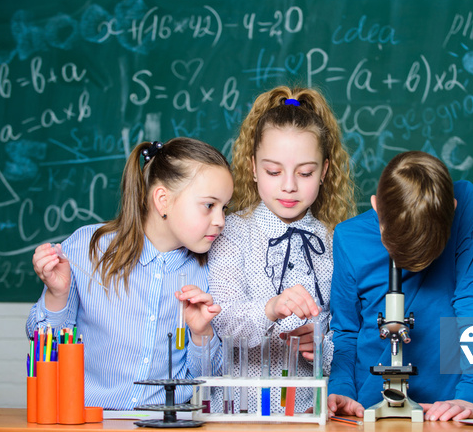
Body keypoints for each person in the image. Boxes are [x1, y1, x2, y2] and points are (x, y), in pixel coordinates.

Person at [26, 138, 233, 410]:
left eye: (224, 208)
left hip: (164, 426)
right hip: (87, 423)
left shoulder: (211, 269)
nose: (220, 220)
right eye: (209, 205)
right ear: (163, 200)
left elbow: (207, 378)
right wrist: (57, 295)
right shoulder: (89, 248)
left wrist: (201, 332)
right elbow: (44, 353)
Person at [207, 86, 355, 413]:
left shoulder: (336, 241)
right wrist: (271, 307)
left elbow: (348, 334)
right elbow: (224, 320)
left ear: (325, 171)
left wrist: (322, 350)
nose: (289, 185)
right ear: (254, 168)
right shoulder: (230, 231)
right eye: (274, 171)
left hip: (306, 414)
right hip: (235, 417)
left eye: (305, 173)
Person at [328, 150, 473, 421]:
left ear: (451, 209)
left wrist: (472, 393)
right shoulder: (349, 238)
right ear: (375, 206)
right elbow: (346, 330)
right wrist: (341, 389)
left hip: (446, 406)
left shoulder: (466, 204)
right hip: (367, 404)